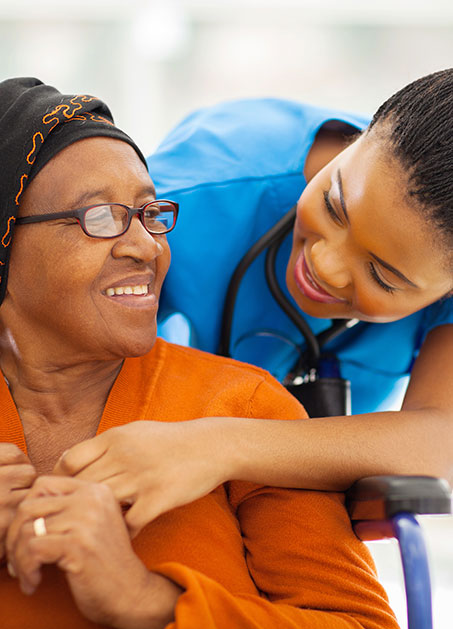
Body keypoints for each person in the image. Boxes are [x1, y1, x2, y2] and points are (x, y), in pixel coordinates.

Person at [0, 77, 400, 629]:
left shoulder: (244, 407)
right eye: (98, 218)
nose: (147, 246)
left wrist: (144, 602)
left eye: (149, 212)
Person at [54, 69, 453, 532]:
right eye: (334, 204)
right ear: (356, 139)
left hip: (274, 508)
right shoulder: (203, 188)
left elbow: (440, 436)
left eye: (382, 276)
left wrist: (220, 446)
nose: (324, 265)